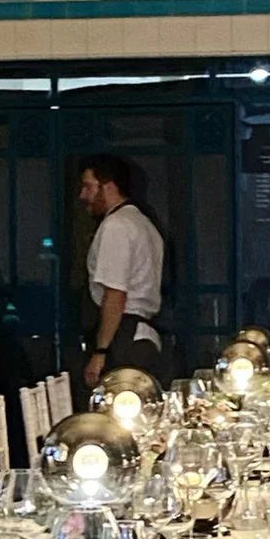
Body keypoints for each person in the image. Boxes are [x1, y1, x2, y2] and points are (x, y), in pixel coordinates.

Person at [78, 153, 169, 388]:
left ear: (107, 186)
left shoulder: (116, 226)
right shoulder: (143, 223)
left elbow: (115, 294)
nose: (83, 195)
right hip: (141, 333)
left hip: (124, 337)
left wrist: (101, 351)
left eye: (88, 187)